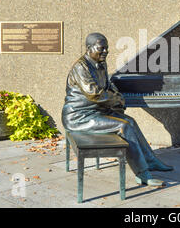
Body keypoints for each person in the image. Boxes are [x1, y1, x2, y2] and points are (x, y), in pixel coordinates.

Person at [62, 32, 173, 186]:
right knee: (124, 126)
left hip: (96, 111)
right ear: (89, 48)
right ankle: (143, 174)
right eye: (102, 48)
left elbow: (108, 86)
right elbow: (95, 95)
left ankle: (151, 160)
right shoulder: (81, 67)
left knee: (130, 121)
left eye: (107, 48)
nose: (106, 51)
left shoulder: (101, 63)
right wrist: (117, 99)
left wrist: (117, 96)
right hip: (79, 116)